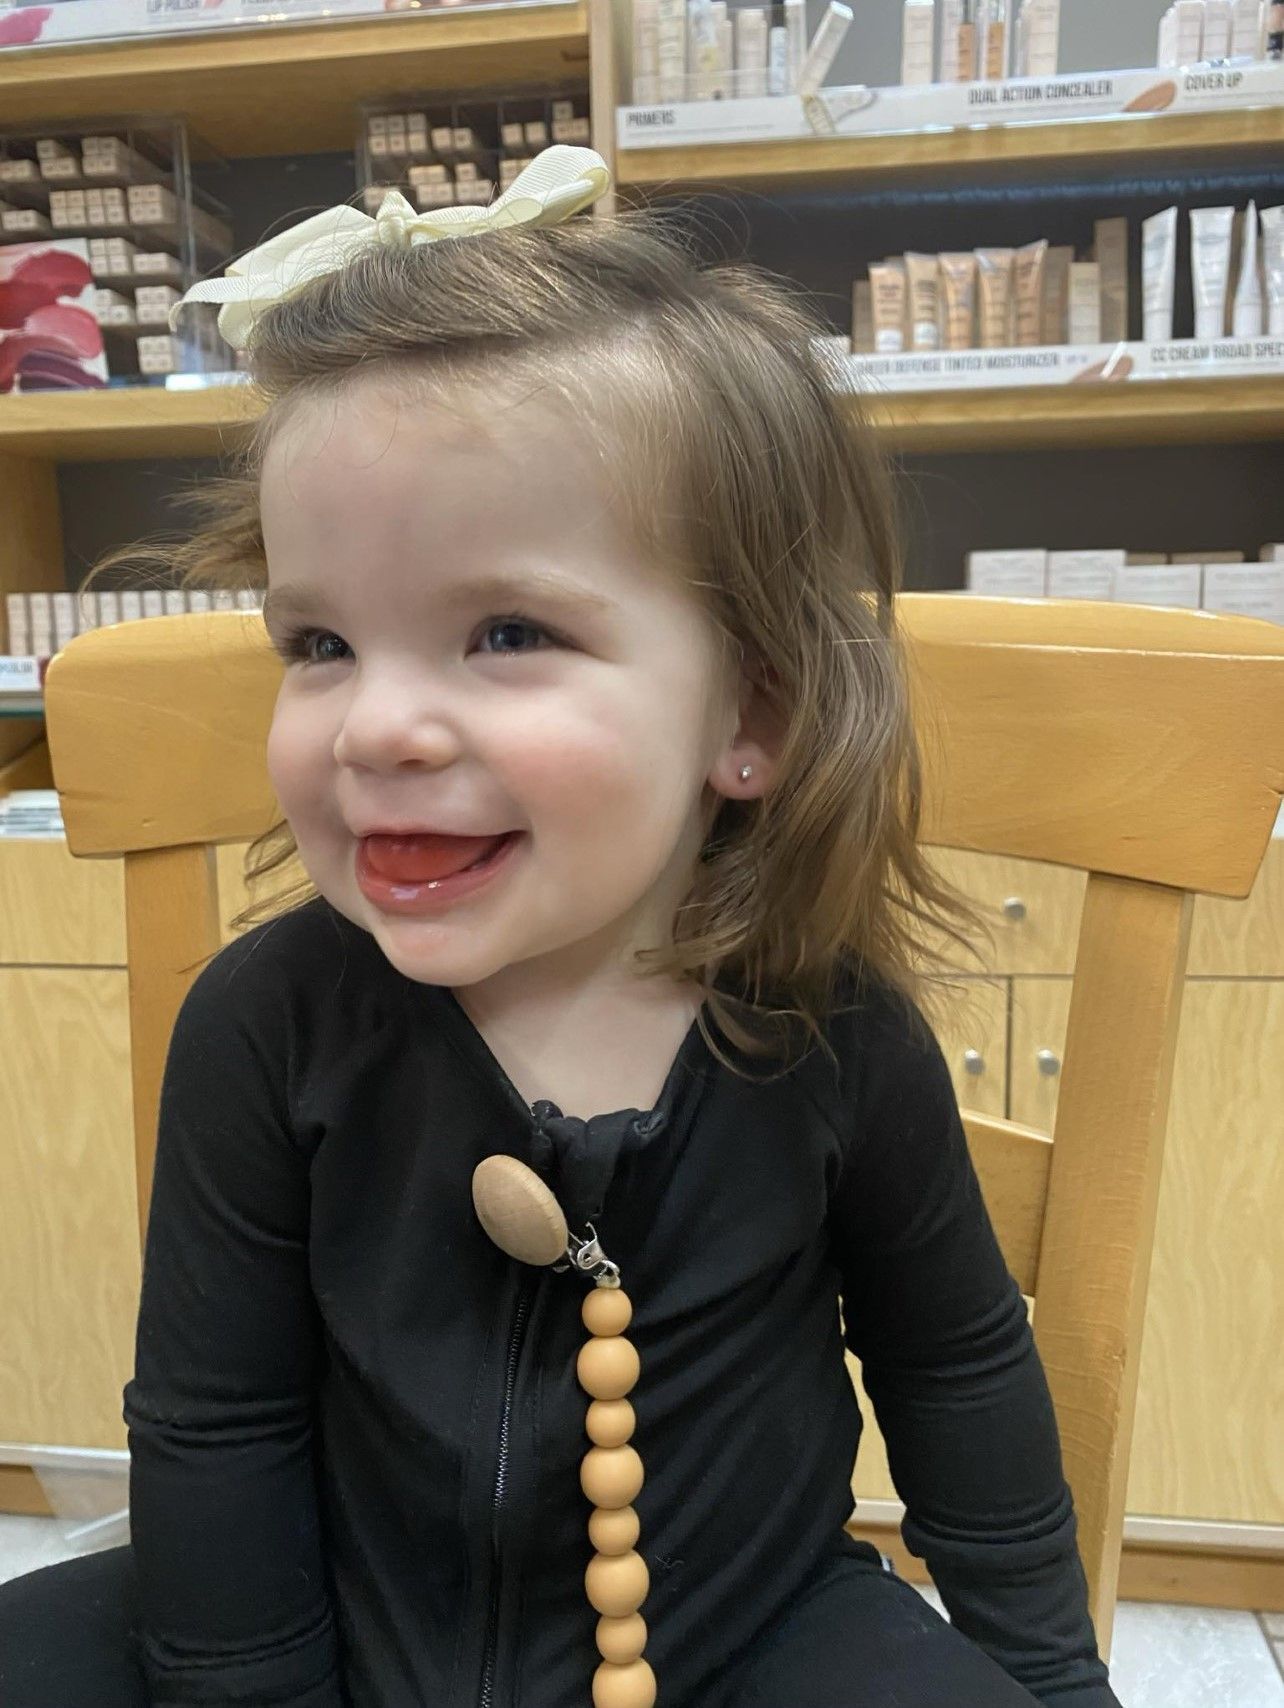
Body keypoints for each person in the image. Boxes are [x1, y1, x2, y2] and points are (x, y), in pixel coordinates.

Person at [0, 148, 1123, 1708]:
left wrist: (1049, 1680)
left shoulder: (830, 1027)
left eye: (506, 632)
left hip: (743, 1638)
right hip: (321, 1611)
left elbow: (957, 1372)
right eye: (319, 641)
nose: (377, 724)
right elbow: (216, 1423)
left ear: (754, 710)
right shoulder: (267, 1023)